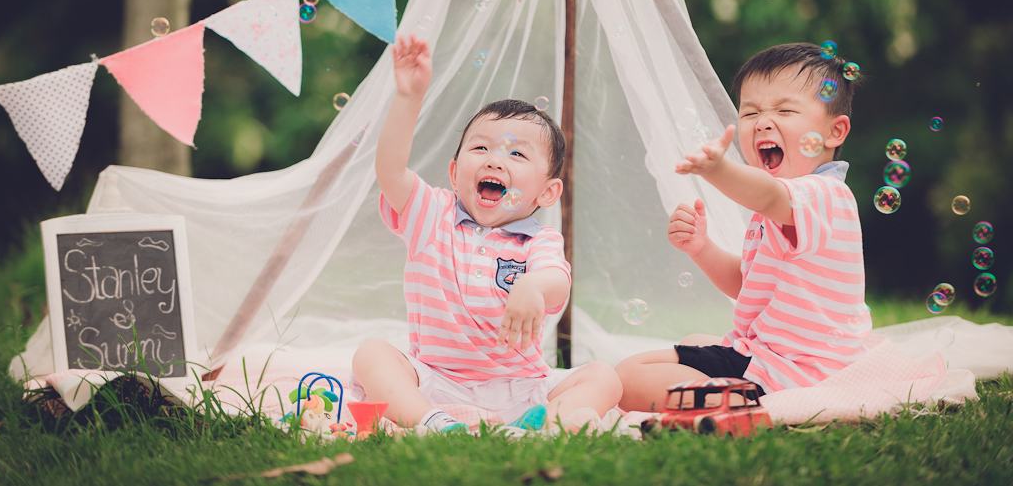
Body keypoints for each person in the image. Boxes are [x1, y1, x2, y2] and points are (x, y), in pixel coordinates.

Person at [351, 34, 622, 432]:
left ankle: (544, 426)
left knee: (605, 377)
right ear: (454, 171)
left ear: (547, 192)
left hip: (522, 388)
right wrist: (409, 98)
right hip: (438, 382)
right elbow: (390, 172)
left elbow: (557, 283)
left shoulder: (537, 241)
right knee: (371, 355)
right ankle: (433, 423)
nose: (495, 159)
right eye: (480, 149)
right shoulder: (433, 215)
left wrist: (532, 287)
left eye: (516, 153)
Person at [616, 42, 870, 411]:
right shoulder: (781, 207)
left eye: (785, 109)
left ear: (835, 132)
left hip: (795, 372)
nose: (764, 122)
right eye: (750, 113)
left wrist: (718, 171)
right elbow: (748, 286)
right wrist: (702, 249)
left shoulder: (823, 196)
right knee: (696, 339)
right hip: (779, 360)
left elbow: (766, 195)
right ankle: (736, 398)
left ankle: (746, 404)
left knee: (628, 375)